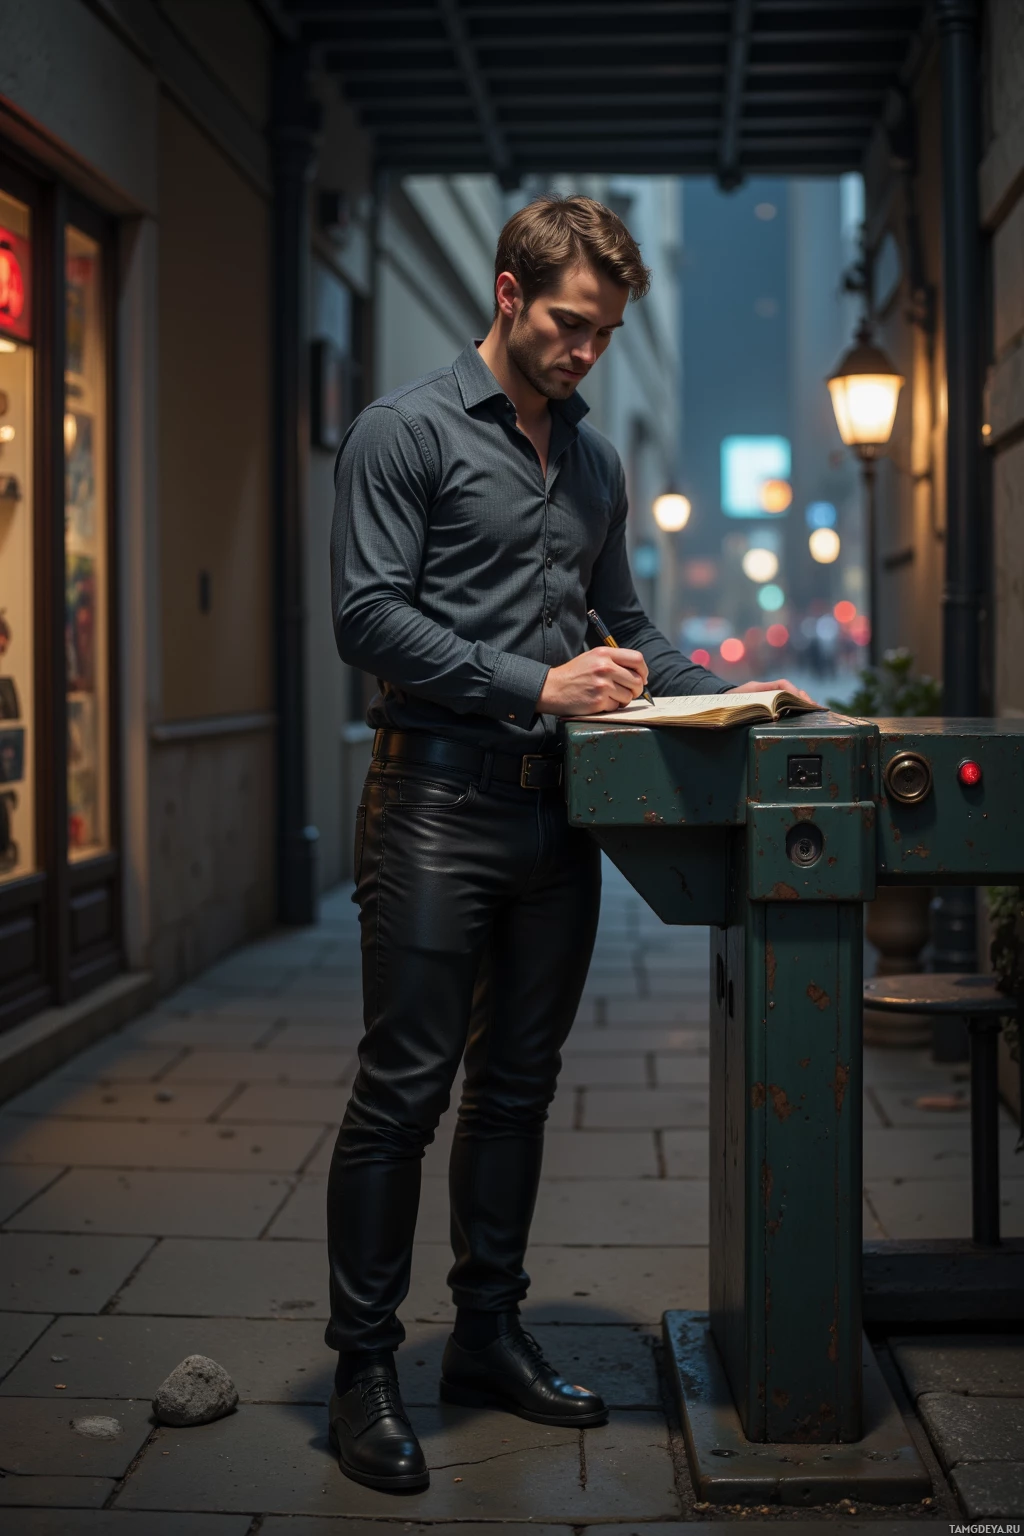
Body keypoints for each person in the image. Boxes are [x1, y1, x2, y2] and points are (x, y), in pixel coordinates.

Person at [327, 193, 811, 1493]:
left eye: (603, 333)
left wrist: (745, 687)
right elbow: (366, 618)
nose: (584, 350)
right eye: (568, 324)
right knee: (404, 1090)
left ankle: (487, 1335)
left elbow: (630, 628)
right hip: (431, 797)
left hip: (559, 814)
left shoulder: (594, 462)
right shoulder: (405, 432)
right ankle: (363, 1370)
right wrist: (533, 683)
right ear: (505, 293)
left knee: (519, 1087)